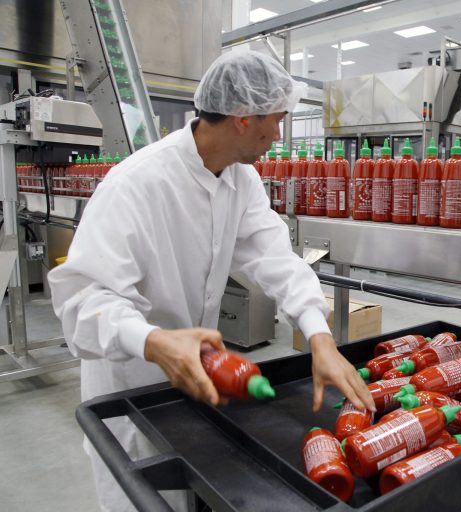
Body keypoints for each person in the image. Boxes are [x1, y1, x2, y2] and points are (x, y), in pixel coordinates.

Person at [48, 50, 375, 512]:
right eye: (276, 120)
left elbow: (274, 257)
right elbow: (83, 302)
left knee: (189, 496)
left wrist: (318, 334)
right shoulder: (136, 185)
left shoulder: (241, 180)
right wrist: (154, 341)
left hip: (195, 386)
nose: (278, 135)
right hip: (132, 387)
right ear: (243, 118)